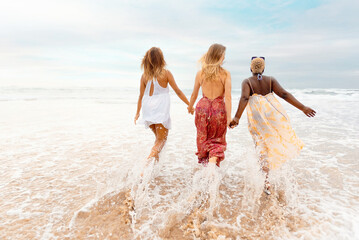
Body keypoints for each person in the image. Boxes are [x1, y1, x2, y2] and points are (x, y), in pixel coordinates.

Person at [229, 56, 316, 195]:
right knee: (276, 141)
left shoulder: (247, 81)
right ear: (263, 69)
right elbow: (284, 94)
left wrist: (236, 118)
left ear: (251, 68)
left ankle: (266, 181)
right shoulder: (270, 80)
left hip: (257, 119)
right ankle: (282, 175)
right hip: (273, 115)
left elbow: (244, 98)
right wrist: (303, 108)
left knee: (262, 147)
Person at [135, 47, 189, 166]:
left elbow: (141, 96)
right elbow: (178, 91)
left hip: (147, 108)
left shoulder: (144, 76)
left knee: (158, 139)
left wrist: (137, 113)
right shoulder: (166, 73)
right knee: (161, 140)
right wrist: (189, 104)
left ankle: (154, 169)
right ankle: (148, 163)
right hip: (159, 108)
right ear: (161, 59)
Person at [188, 43, 232, 168]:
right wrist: (229, 118)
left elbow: (194, 94)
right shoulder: (225, 74)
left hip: (202, 108)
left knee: (203, 139)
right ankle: (212, 169)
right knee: (216, 141)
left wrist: (190, 107)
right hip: (218, 109)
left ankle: (206, 170)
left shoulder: (200, 73)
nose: (224, 57)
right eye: (223, 54)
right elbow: (228, 97)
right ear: (219, 56)